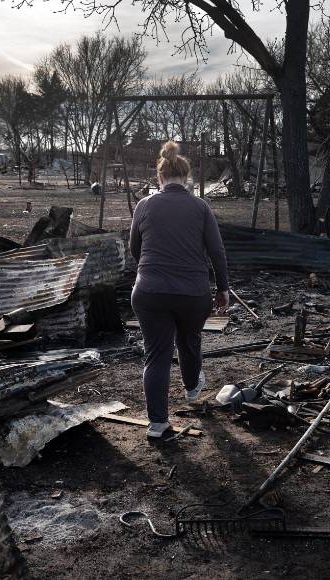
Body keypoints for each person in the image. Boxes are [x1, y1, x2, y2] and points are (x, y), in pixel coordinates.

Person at [129, 140, 230, 438]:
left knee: (157, 355)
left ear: (160, 177)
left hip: (149, 292)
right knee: (189, 339)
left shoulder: (144, 206)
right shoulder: (200, 207)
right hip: (192, 293)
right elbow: (217, 251)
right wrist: (223, 287)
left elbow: (135, 248)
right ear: (186, 178)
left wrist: (149, 274)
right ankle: (191, 387)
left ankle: (158, 425)